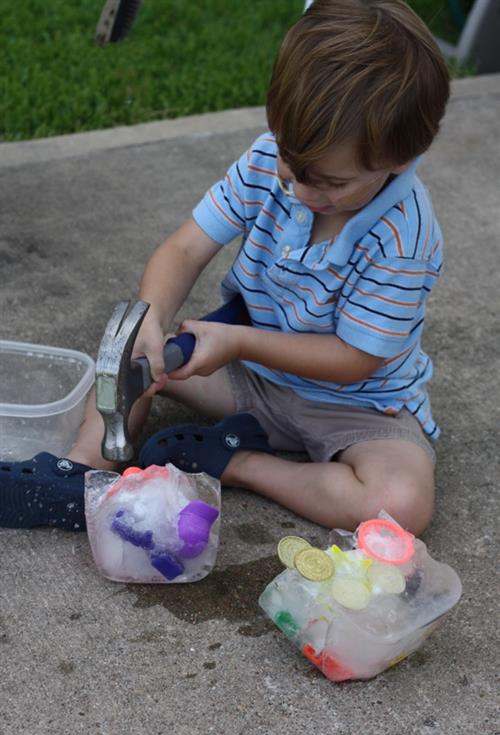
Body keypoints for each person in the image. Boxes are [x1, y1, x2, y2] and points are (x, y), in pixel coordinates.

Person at [0, 0, 449, 536]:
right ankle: (85, 474)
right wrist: (152, 317)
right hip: (251, 382)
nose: (301, 190)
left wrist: (236, 342)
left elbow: (354, 359)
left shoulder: (403, 233)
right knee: (128, 362)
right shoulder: (267, 163)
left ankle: (234, 462)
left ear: (403, 156)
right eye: (290, 159)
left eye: (329, 183)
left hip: (356, 409)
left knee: (401, 503)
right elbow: (185, 249)